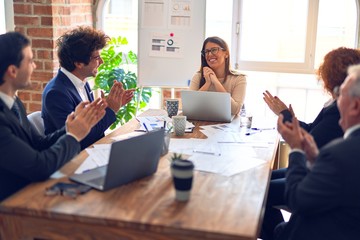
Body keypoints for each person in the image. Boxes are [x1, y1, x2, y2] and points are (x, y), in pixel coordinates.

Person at [260, 47, 360, 240]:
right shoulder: (334, 107)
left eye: (342, 95)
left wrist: (296, 149)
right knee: (262, 180)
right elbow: (314, 132)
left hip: (315, 181)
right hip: (321, 172)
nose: (339, 100)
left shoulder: (340, 148)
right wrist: (287, 116)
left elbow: (298, 199)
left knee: (260, 192)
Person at [0, 31, 107, 201]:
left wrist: (73, 126)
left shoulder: (14, 102)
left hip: (31, 190)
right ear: (12, 71)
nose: (34, 66)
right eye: (30, 61)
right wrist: (73, 135)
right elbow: (39, 167)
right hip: (14, 204)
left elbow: (39, 144)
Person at [42, 26, 135, 150]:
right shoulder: (56, 93)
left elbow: (91, 125)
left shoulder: (82, 82)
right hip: (73, 160)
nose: (101, 61)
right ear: (79, 63)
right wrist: (111, 110)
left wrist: (107, 106)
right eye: (96, 58)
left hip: (92, 151)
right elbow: (81, 138)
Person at [189, 36, 246, 115]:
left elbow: (235, 110)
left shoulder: (239, 78)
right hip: (200, 124)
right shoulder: (198, 76)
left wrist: (216, 82)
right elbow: (190, 106)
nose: (209, 54)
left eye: (214, 50)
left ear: (226, 54)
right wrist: (207, 83)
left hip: (229, 126)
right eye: (206, 51)